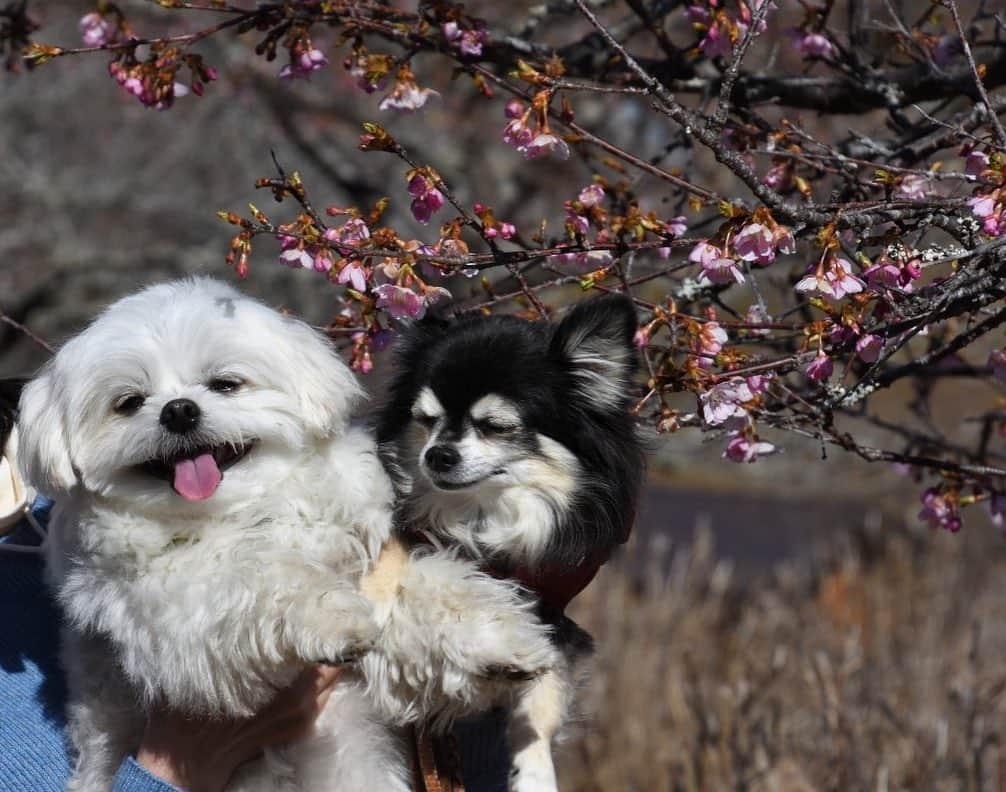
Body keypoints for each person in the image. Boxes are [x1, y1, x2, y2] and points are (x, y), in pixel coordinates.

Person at [0, 378, 507, 792]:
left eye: (222, 385)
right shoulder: (99, 536)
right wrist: (181, 763)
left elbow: (458, 762)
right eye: (131, 402)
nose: (179, 408)